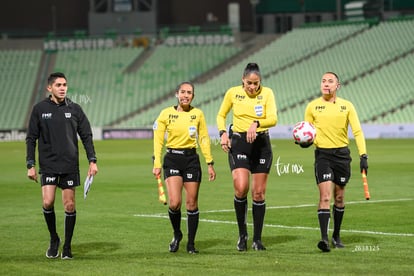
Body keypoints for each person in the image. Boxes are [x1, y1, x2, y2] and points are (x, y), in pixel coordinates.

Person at [26, 72, 98, 259]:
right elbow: (31, 138)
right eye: (58, 85)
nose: (63, 88)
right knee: (47, 201)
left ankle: (67, 246)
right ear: (49, 88)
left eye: (65, 84)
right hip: (48, 164)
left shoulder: (75, 109)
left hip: (69, 164)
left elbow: (86, 135)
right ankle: (53, 239)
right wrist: (30, 164)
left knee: (69, 206)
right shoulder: (39, 109)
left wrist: (92, 160)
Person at [300, 71, 368, 252]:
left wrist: (363, 156)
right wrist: (304, 143)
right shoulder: (312, 107)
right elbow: (307, 131)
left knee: (339, 197)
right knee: (325, 196)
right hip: (323, 156)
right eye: (323, 81)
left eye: (330, 81)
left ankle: (336, 235)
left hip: (342, 156)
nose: (326, 84)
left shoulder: (347, 106)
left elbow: (358, 132)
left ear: (338, 86)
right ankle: (324, 239)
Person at [217, 63, 277, 251]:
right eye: (249, 83)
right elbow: (221, 115)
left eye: (256, 83)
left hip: (261, 145)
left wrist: (256, 123)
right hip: (240, 143)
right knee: (241, 187)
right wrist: (222, 133)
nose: (252, 87)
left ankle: (257, 239)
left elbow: (273, 118)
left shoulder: (267, 93)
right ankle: (242, 234)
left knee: (258, 193)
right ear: (242, 80)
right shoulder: (233, 93)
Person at [152, 81, 216, 254]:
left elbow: (203, 138)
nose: (186, 95)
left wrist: (209, 162)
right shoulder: (166, 113)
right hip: (172, 159)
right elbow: (158, 139)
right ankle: (177, 233)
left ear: (193, 96)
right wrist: (157, 162)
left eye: (189, 93)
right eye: (183, 92)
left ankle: (191, 243)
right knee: (174, 203)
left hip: (191, 160)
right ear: (177, 94)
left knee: (192, 203)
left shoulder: (198, 114)